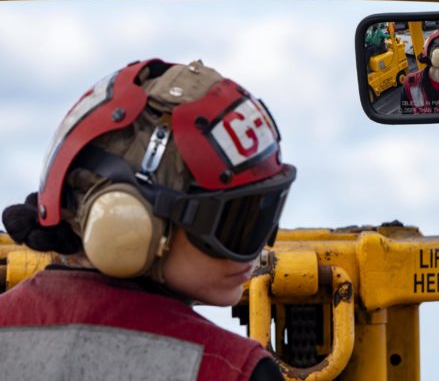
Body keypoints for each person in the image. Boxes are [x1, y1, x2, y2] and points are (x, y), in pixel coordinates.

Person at [0, 58, 296, 380]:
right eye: (235, 222)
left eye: (263, 215)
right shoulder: (235, 369)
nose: (257, 250)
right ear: (130, 221)